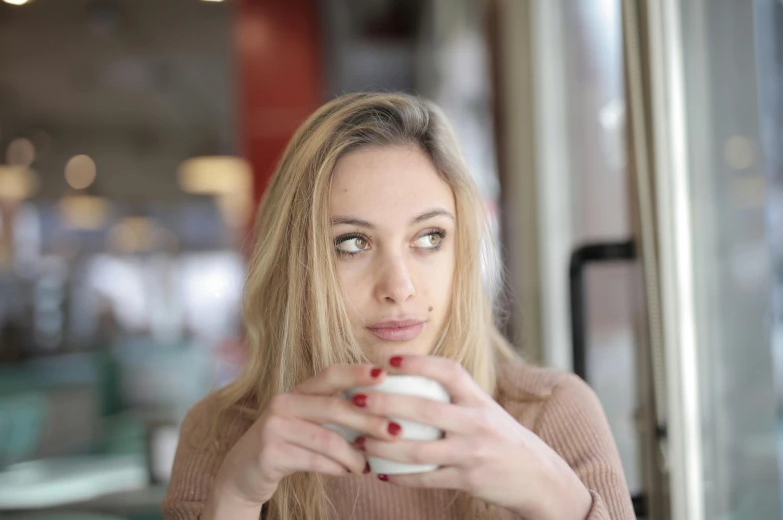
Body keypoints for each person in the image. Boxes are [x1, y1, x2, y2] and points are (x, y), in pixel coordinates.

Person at [162, 93, 635, 520]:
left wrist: (553, 495)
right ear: (297, 265)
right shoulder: (221, 433)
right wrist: (236, 499)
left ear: (463, 251)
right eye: (352, 243)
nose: (399, 287)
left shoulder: (552, 413)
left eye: (430, 238)